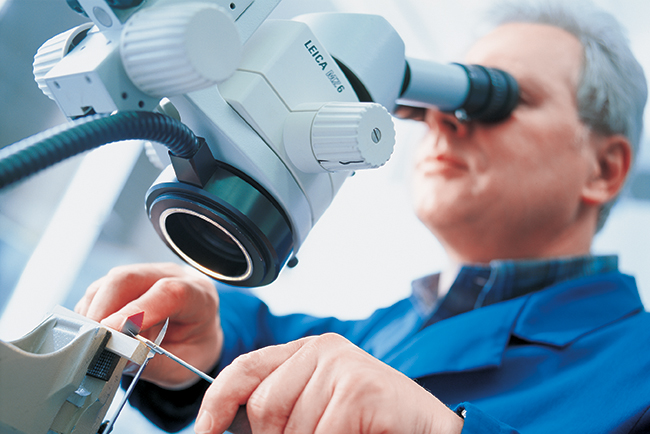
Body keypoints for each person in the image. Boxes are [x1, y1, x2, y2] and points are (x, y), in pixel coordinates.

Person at [75, 1, 649, 433]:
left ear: (603, 168)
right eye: (450, 96)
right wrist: (206, 331)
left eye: (498, 99)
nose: (447, 120)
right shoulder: (393, 329)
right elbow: (272, 341)